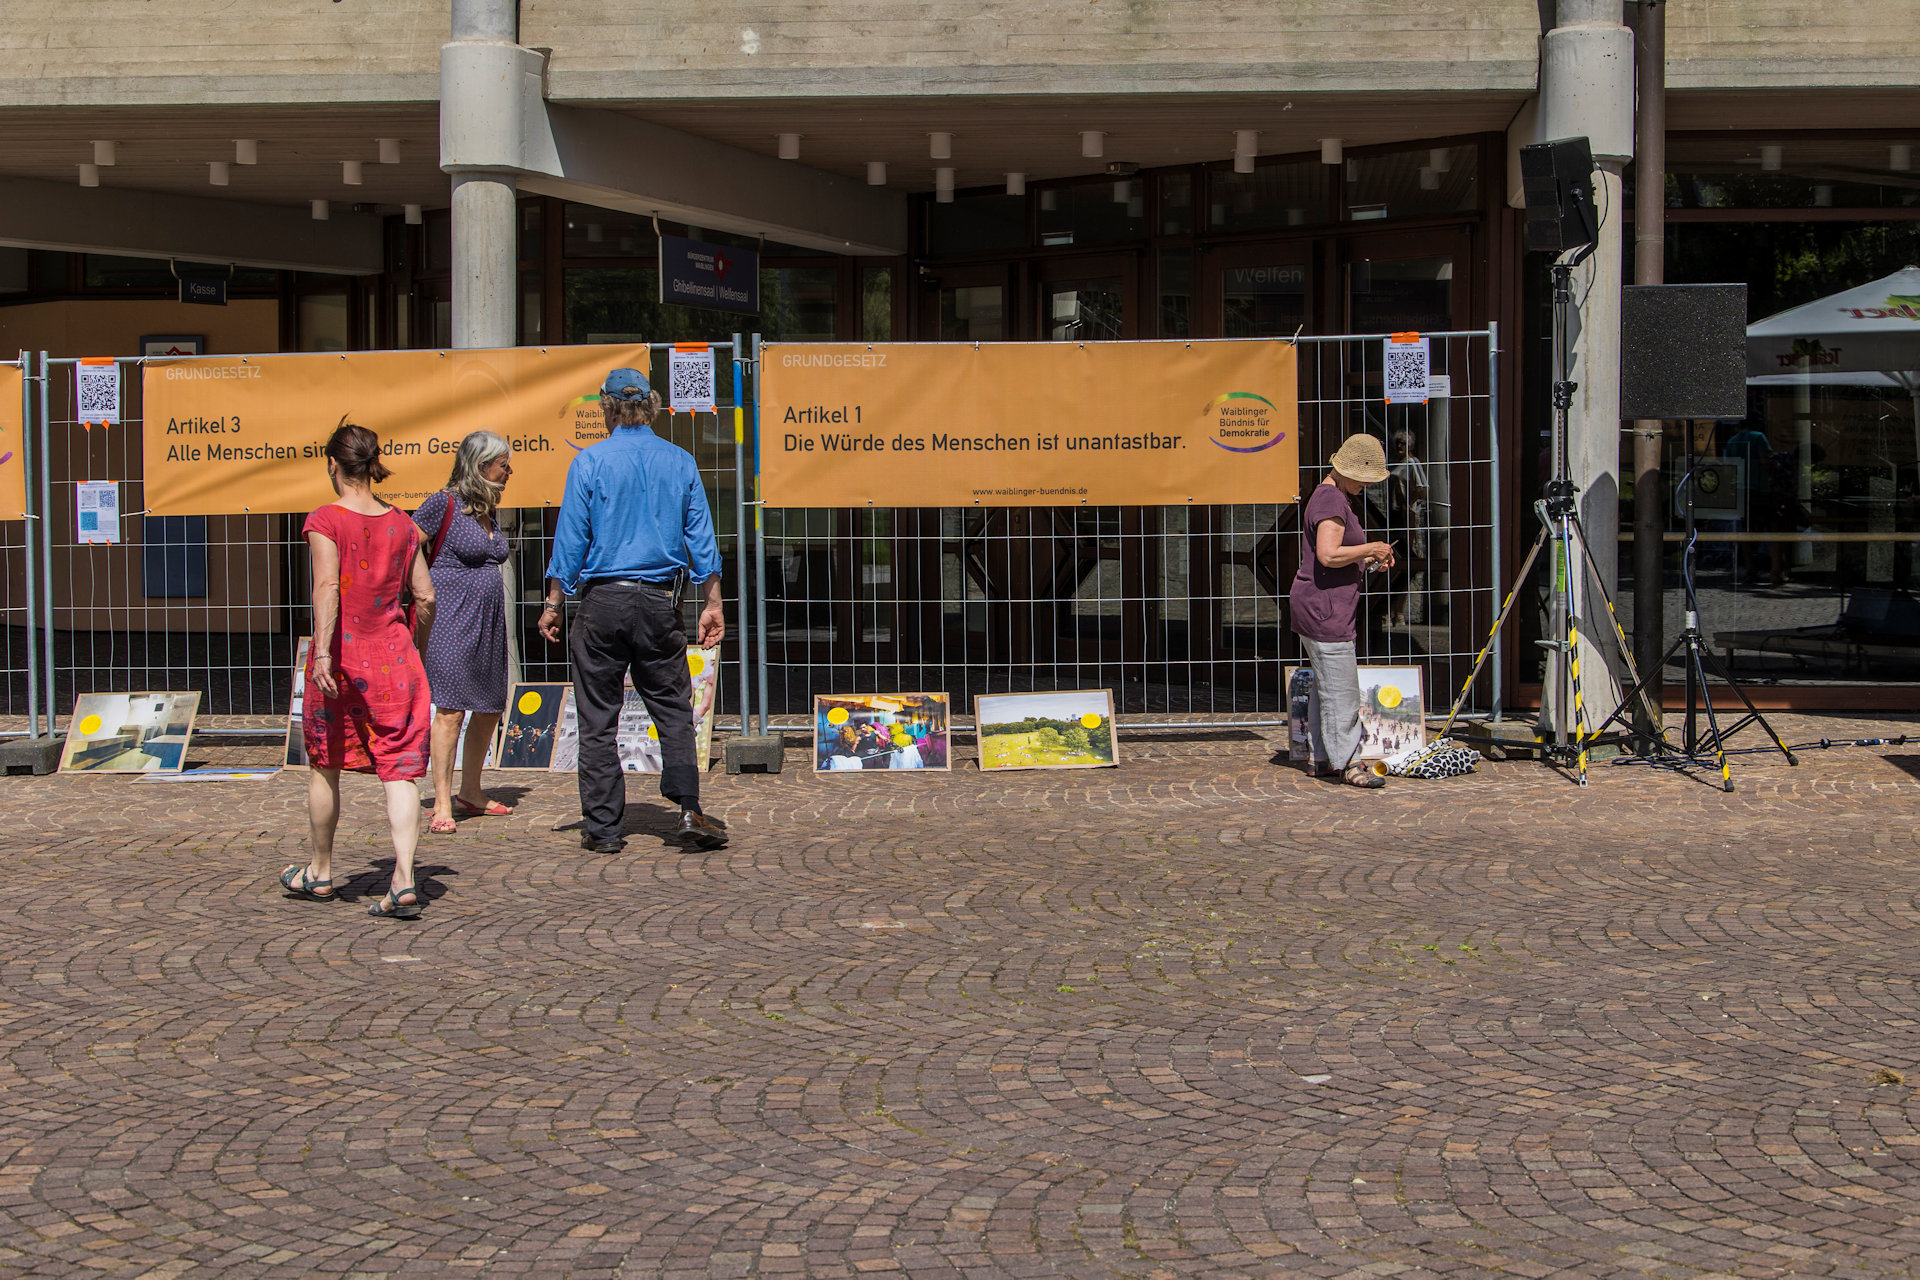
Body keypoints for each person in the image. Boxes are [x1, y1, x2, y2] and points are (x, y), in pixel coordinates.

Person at [538, 368, 729, 852]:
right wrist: (713, 601)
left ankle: (603, 830)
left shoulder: (589, 463)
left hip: (602, 602)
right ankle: (688, 808)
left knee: (597, 715)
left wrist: (554, 603)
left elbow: (571, 542)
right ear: (653, 404)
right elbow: (701, 540)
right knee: (672, 708)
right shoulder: (680, 462)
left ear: (605, 406)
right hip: (660, 600)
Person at [279, 422, 435, 919]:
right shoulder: (405, 525)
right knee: (401, 770)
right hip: (396, 660)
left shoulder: (326, 520)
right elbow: (425, 596)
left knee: (325, 766)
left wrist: (322, 654)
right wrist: (416, 649)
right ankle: (405, 880)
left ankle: (320, 871)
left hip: (342, 660)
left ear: (332, 465)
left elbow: (328, 587)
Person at [414, 431, 515, 833]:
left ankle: (470, 791)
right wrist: (423, 592)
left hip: (489, 622)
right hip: (451, 620)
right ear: (480, 465)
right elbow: (405, 546)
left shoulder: (487, 508)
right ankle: (442, 802)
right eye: (503, 464)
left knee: (490, 706)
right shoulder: (444, 502)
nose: (509, 471)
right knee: (451, 710)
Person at [1289, 434, 1397, 789]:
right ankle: (1348, 763)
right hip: (1326, 610)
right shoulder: (1332, 499)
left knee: (1326, 687)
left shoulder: (1331, 496)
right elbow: (1328, 554)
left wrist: (1366, 559)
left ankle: (1321, 758)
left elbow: (1337, 557)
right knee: (1342, 692)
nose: (1367, 485)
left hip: (1321, 605)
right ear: (1349, 471)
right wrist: (1372, 546)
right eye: (1365, 477)